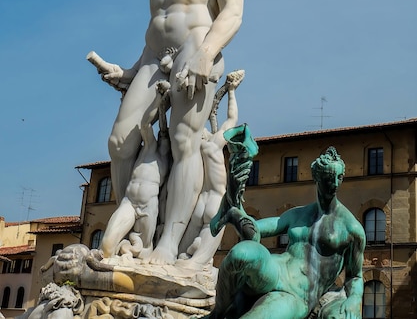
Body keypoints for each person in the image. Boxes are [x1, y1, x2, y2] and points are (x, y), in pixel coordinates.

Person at [90, 0, 245, 265]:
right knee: (120, 142)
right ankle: (141, 231)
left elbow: (232, 11)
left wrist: (207, 52)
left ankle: (168, 246)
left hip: (197, 48)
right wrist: (127, 72)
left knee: (183, 141)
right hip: (155, 59)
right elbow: (154, 30)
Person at [207, 147, 365, 319]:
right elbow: (257, 230)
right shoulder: (297, 214)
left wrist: (354, 299)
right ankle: (217, 313)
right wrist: (237, 210)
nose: (334, 183)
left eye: (339, 177)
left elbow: (355, 276)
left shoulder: (352, 228)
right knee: (241, 253)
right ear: (317, 177)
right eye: (328, 177)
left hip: (298, 294)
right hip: (275, 270)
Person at [177, 70, 244, 269]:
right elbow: (232, 118)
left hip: (199, 202)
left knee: (181, 252)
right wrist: (232, 92)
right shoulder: (215, 143)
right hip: (216, 199)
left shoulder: (192, 148)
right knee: (200, 258)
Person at [100, 81, 171, 260]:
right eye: (165, 135)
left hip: (150, 207)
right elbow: (146, 125)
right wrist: (158, 100)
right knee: (107, 243)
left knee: (145, 251)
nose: (165, 137)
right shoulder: (150, 148)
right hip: (129, 203)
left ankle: (127, 256)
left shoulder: (170, 164)